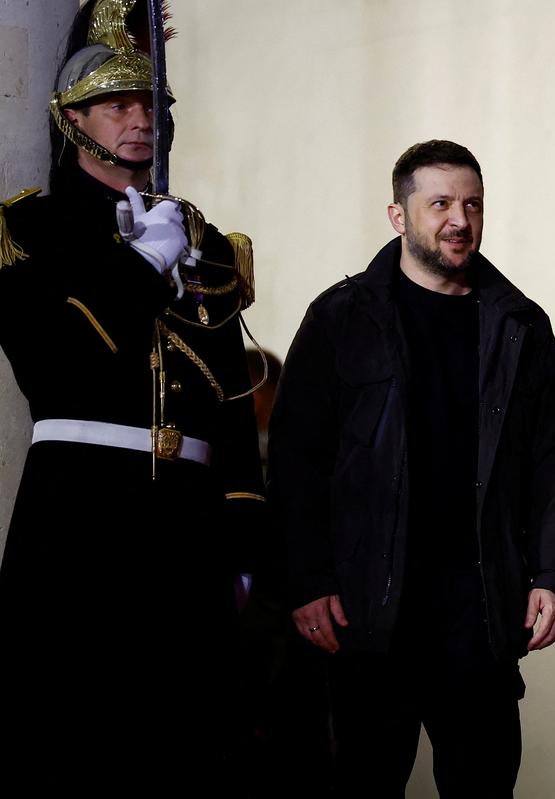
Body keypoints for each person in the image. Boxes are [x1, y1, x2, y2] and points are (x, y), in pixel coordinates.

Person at [0, 0, 265, 787]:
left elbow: (228, 408)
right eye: (118, 105)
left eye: (152, 105)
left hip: (185, 526)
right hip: (78, 515)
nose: (141, 121)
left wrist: (243, 530)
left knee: (184, 741)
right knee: (76, 737)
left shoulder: (205, 241)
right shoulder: (33, 231)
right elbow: (55, 366)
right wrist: (142, 268)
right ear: (71, 117)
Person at [270, 139, 555, 798]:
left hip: (481, 617)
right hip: (368, 614)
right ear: (397, 214)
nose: (459, 219)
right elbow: (298, 458)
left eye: (471, 204)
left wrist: (554, 574)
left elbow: (553, 461)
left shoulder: (520, 323)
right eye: (439, 202)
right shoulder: (341, 316)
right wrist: (307, 579)